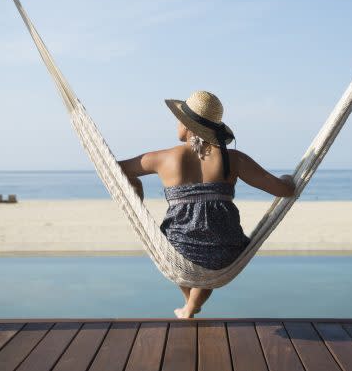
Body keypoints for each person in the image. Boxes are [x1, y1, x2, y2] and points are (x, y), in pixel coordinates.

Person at [117, 90, 296, 319]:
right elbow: (284, 190)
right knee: (209, 264)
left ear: (187, 125)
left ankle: (189, 307)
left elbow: (115, 169)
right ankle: (190, 306)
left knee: (180, 262)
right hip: (224, 251)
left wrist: (137, 191)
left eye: (178, 120)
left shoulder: (164, 158)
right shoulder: (234, 159)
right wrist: (287, 180)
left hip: (178, 248)